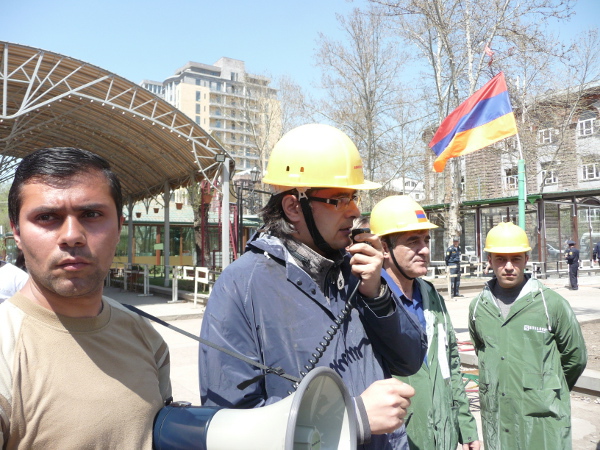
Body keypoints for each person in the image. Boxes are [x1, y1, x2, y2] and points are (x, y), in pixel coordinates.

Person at [199, 124, 426, 449]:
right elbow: (230, 427)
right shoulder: (241, 286)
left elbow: (410, 360)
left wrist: (377, 296)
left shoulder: (357, 270)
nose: (355, 211)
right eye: (338, 200)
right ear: (294, 207)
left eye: (354, 197)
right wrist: (352, 418)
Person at [0, 147, 172, 448]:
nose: (72, 235)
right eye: (46, 217)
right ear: (16, 232)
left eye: (91, 214)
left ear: (119, 227)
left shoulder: (145, 336)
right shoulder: (6, 349)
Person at [370, 195, 480, 450]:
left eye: (426, 240)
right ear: (384, 248)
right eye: (413, 241)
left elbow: (451, 363)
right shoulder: (369, 302)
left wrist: (465, 425)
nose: (425, 250)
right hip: (398, 439)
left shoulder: (431, 296)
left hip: (443, 436)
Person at [469, 222, 587, 449]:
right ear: (490, 260)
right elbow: (483, 352)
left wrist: (547, 389)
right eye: (501, 259)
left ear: (526, 258)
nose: (509, 266)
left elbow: (575, 358)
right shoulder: (478, 308)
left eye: (516, 259)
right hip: (497, 420)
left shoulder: (551, 304)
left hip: (543, 423)